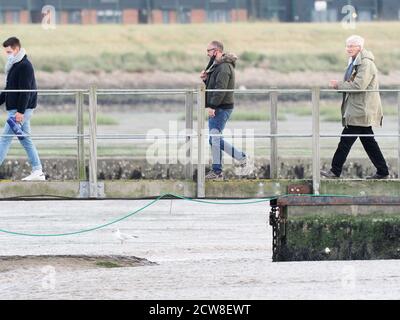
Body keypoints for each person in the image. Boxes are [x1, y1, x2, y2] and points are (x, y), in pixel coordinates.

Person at [321, 35, 389, 180]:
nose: (349, 48)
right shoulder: (355, 61)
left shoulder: (365, 63)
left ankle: (335, 171)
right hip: (359, 109)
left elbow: (359, 85)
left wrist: (337, 85)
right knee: (369, 142)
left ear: (360, 47)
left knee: (345, 141)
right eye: (347, 46)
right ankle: (383, 171)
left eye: (352, 46)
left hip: (361, 110)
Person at [200, 40, 252, 180]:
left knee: (214, 139)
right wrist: (206, 79)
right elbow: (215, 85)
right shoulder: (218, 66)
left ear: (216, 51)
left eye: (209, 51)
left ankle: (235, 161)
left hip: (221, 107)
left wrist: (212, 106)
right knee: (214, 139)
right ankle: (224, 167)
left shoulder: (223, 67)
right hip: (220, 106)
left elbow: (220, 90)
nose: (207, 54)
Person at [0, 37, 45, 181]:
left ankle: (38, 171)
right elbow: (9, 90)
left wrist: (20, 112)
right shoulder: (14, 65)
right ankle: (38, 171)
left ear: (16, 49)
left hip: (20, 110)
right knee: (26, 140)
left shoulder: (25, 66)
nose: (7, 54)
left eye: (9, 51)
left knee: (5, 139)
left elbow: (26, 91)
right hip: (16, 109)